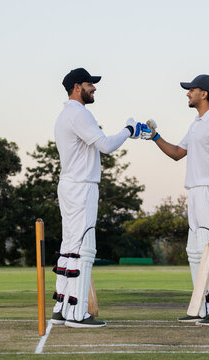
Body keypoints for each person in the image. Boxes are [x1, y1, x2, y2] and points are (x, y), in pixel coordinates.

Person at [51, 68, 143, 328]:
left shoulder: (64, 114)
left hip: (70, 185)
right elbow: (106, 145)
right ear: (78, 86)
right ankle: (78, 313)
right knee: (83, 248)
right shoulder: (80, 113)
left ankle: (62, 306)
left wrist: (129, 132)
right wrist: (129, 129)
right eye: (91, 84)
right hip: (82, 186)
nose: (94, 88)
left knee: (70, 246)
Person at [142, 74, 209, 326]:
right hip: (193, 192)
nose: (187, 93)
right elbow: (177, 153)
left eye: (191, 90)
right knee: (194, 251)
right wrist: (154, 136)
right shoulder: (196, 124)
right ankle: (202, 307)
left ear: (204, 94)